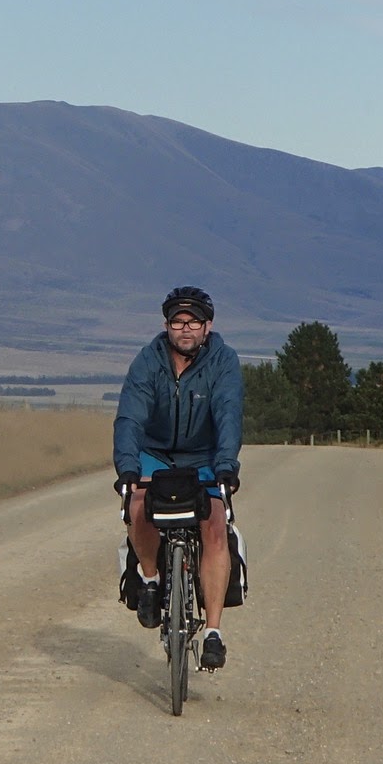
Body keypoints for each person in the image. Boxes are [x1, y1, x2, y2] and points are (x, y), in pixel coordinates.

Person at [113, 286, 244, 670]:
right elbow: (130, 417)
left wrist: (226, 467)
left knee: (215, 526)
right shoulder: (148, 361)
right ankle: (151, 580)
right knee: (138, 505)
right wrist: (128, 469)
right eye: (177, 322)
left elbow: (228, 414)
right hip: (154, 454)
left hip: (203, 457)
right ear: (166, 325)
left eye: (194, 322)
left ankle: (214, 632)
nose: (185, 329)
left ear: (208, 326)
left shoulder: (223, 361)